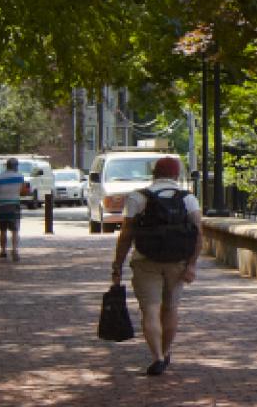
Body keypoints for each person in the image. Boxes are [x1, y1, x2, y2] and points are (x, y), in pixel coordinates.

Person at [108, 156, 201, 377]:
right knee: (170, 308)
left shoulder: (138, 198)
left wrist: (118, 263)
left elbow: (126, 235)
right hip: (177, 262)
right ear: (176, 175)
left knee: (150, 309)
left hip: (145, 261)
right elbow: (199, 235)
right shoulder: (188, 199)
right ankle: (167, 351)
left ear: (154, 174)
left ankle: (157, 356)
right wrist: (191, 265)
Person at [0, 158, 34, 260]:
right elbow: (24, 192)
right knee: (15, 230)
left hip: (1, 206)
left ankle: (3, 251)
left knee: (2, 230)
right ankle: (14, 250)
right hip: (14, 205)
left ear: (6, 166)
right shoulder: (20, 177)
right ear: (16, 166)